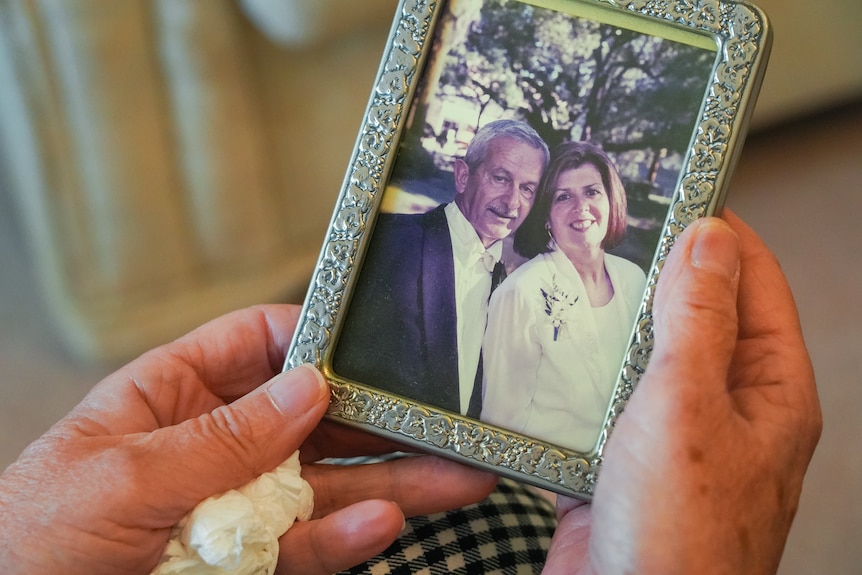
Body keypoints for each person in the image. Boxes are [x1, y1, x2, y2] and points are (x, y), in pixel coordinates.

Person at [0, 212, 822, 575]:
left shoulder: (640, 280)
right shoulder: (493, 278)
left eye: (578, 190)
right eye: (550, 192)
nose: (558, 207)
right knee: (491, 514)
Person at [333, 119, 549, 417]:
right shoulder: (384, 240)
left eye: (527, 189)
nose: (512, 201)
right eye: (500, 178)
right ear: (462, 176)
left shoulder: (514, 285)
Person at [481, 141, 646, 452]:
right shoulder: (520, 294)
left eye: (592, 192)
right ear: (546, 217)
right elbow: (500, 429)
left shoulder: (634, 279)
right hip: (551, 487)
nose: (580, 207)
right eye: (563, 197)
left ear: (611, 200)